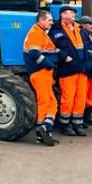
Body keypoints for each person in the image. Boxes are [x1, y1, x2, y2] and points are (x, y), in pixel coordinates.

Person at [22, 10, 60, 146]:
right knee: (45, 101)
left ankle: (45, 129)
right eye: (49, 20)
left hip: (44, 73)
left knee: (52, 103)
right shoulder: (36, 33)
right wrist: (48, 64)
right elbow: (33, 53)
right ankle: (41, 131)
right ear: (41, 20)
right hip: (41, 72)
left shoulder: (40, 33)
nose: (51, 22)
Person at [50, 6, 88, 136]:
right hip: (67, 69)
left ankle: (77, 124)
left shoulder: (80, 29)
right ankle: (65, 125)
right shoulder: (56, 30)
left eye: (73, 13)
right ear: (63, 15)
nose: (73, 15)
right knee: (68, 98)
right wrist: (64, 56)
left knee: (80, 98)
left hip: (81, 69)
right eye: (70, 13)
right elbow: (51, 47)